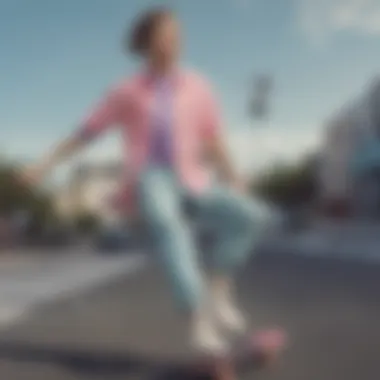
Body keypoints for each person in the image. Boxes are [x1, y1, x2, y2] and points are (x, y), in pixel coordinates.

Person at [24, 7, 272, 355]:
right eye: (164, 36)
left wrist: (234, 177)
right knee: (172, 230)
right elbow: (86, 132)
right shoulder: (126, 90)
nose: (173, 43)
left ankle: (218, 293)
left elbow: (213, 137)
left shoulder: (199, 86)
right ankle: (199, 321)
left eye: (177, 35)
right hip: (151, 178)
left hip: (193, 176)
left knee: (251, 216)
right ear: (146, 44)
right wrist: (45, 163)